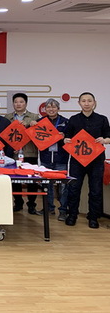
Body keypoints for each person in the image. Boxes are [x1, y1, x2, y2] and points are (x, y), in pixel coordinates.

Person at [63, 92, 110, 228]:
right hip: (77, 160)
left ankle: (93, 217)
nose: (87, 103)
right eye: (83, 101)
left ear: (94, 102)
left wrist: (105, 140)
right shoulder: (74, 119)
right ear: (79, 103)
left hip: (96, 160)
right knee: (74, 188)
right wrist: (66, 140)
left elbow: (108, 136)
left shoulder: (102, 119)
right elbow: (66, 136)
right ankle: (72, 215)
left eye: (89, 101)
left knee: (95, 189)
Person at [5, 92, 40, 215]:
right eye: (16, 102)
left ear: (26, 103)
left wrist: (32, 125)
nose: (18, 104)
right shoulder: (7, 117)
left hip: (30, 152)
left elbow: (39, 135)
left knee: (32, 180)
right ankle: (18, 203)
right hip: (13, 154)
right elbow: (5, 136)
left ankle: (32, 204)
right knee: (15, 180)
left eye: (21, 102)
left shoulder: (34, 117)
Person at [38, 99, 69, 220]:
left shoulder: (65, 122)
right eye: (49, 107)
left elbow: (71, 138)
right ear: (45, 109)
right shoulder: (40, 122)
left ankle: (63, 210)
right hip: (45, 158)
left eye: (54, 107)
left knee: (63, 187)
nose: (51, 109)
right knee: (46, 185)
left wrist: (64, 137)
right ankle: (49, 208)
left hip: (61, 158)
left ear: (58, 109)